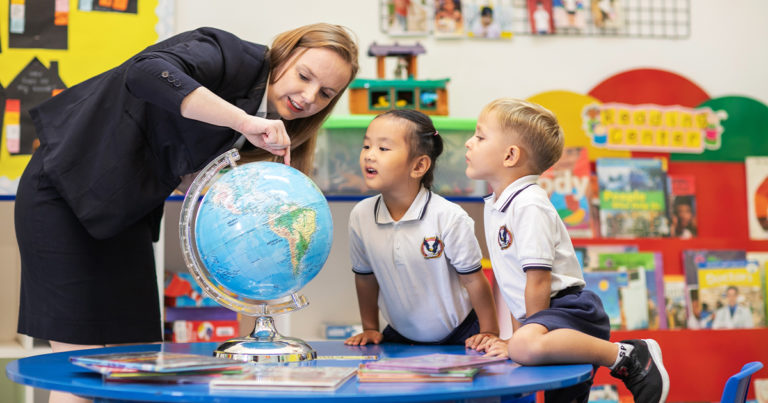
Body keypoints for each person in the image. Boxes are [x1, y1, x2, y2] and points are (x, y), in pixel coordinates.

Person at [15, 23, 359, 402]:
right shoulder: (228, 55)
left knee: (140, 364)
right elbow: (145, 71)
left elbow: (177, 159)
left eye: (326, 93)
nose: (309, 96)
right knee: (77, 368)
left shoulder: (266, 121)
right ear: (284, 53)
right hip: (63, 190)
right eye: (303, 75)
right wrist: (243, 122)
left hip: (121, 214)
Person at [464, 98, 669, 403]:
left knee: (523, 348)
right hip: (549, 317)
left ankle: (627, 355)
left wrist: (523, 338)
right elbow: (515, 286)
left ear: (510, 155)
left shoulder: (529, 204)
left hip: (570, 312)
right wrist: (514, 337)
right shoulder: (498, 206)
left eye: (480, 137)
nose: (469, 143)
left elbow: (538, 281)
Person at [344, 109, 499, 347]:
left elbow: (474, 281)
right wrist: (371, 328)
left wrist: (489, 332)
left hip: (460, 335)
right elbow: (365, 278)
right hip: (399, 335)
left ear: (418, 166)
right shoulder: (361, 215)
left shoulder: (448, 217)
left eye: (383, 149)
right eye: (366, 146)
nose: (369, 156)